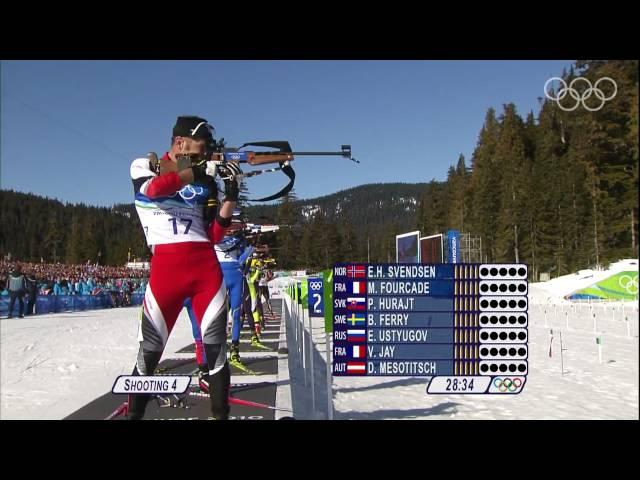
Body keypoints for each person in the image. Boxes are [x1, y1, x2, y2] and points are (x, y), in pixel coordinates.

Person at [127, 115, 241, 420]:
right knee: (148, 354)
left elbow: (214, 234)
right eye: (200, 146)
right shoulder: (144, 165)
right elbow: (152, 191)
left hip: (206, 270)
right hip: (167, 272)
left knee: (216, 351)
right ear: (180, 143)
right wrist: (197, 171)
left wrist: (229, 197)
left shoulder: (204, 179)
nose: (204, 153)